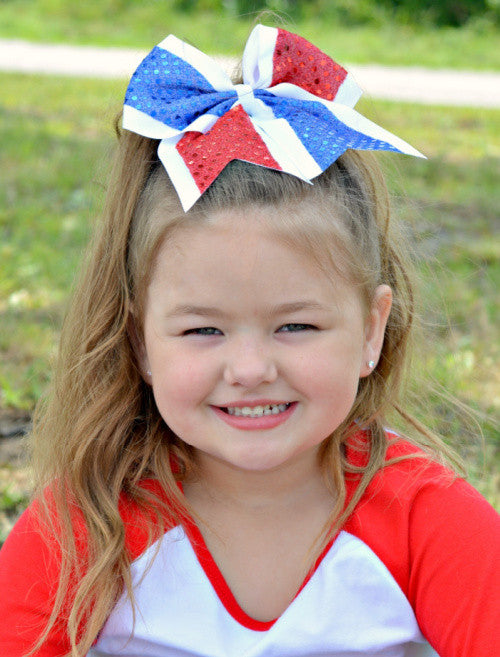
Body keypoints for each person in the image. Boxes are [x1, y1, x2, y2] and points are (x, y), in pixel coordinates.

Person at [0, 24, 498, 657]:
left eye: (296, 326)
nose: (251, 367)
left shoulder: (429, 521)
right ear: (142, 342)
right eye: (203, 330)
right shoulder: (85, 525)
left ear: (372, 329)